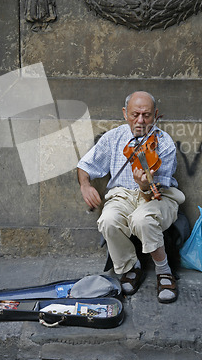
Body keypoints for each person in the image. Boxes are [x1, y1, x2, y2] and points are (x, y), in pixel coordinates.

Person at [77, 91, 185, 303]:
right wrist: (85, 185)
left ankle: (164, 271)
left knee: (142, 219)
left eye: (147, 115)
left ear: (155, 115)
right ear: (125, 113)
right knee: (108, 220)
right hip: (122, 195)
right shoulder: (113, 138)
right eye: (135, 114)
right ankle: (131, 267)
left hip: (158, 196)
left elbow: (156, 190)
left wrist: (145, 186)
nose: (141, 121)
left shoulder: (164, 143)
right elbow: (85, 165)